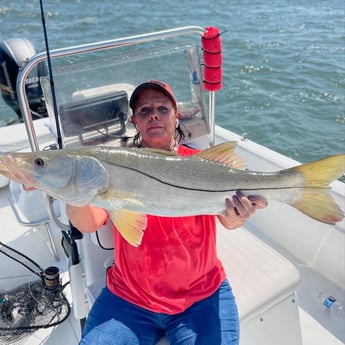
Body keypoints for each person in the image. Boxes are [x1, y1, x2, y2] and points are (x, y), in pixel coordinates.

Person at [67, 80, 268, 345]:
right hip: (129, 299)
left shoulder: (200, 164)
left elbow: (229, 222)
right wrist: (72, 187)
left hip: (202, 296)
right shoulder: (114, 165)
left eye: (163, 109)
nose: (154, 114)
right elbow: (89, 222)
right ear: (134, 121)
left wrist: (238, 215)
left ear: (176, 117)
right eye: (144, 110)